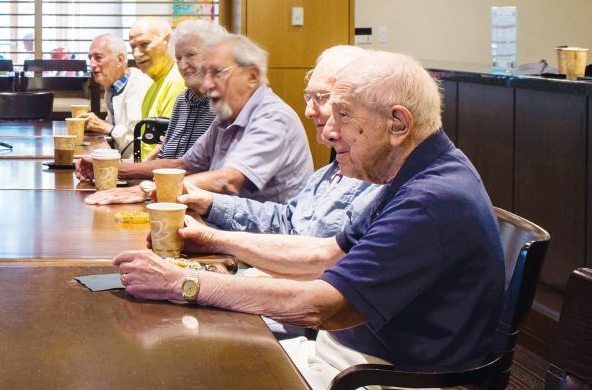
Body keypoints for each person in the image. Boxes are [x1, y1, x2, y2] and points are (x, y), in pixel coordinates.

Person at [113, 51, 506, 390]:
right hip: (346, 368)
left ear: (397, 124)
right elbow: (323, 253)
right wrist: (213, 240)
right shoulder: (415, 173)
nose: (326, 133)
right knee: (189, 369)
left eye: (342, 116)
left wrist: (184, 283)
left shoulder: (430, 198)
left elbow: (323, 307)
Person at [181, 44, 385, 237]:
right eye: (309, 98)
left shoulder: (379, 179)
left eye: (322, 98)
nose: (308, 112)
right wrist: (210, 203)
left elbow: (325, 258)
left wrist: (214, 239)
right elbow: (287, 219)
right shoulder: (329, 172)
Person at [82, 34, 312, 205]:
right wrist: (113, 169)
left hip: (262, 246)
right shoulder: (227, 116)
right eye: (206, 73)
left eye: (217, 73)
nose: (208, 83)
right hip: (228, 230)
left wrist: (147, 190)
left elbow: (227, 181)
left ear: (251, 76)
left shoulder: (272, 117)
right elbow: (183, 165)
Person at [153, 19, 224, 161]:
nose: (183, 65)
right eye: (178, 59)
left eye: (190, 55)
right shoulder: (182, 100)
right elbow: (164, 152)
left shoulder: (223, 103)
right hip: (166, 180)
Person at [81, 33, 151, 156]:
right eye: (90, 58)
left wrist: (106, 128)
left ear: (119, 60)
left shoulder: (139, 86)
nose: (91, 64)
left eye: (98, 58)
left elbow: (139, 143)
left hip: (136, 165)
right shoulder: (112, 86)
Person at [128, 17, 186, 157]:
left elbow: (166, 147)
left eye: (144, 44)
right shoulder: (153, 85)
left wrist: (134, 173)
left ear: (168, 40)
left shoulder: (178, 81)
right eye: (133, 47)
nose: (137, 54)